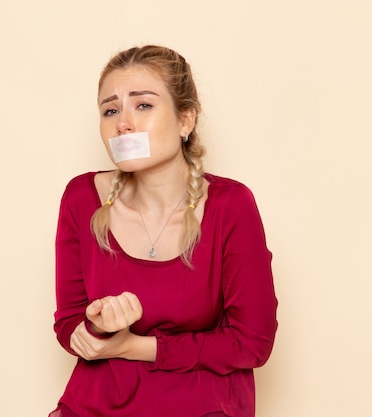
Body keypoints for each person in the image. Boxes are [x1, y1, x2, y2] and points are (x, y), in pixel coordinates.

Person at [49, 45, 278, 417]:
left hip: (202, 405)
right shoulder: (81, 198)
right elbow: (69, 326)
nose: (123, 123)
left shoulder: (231, 205)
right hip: (100, 402)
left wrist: (132, 345)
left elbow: (252, 344)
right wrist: (97, 328)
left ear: (186, 120)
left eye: (143, 105)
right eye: (111, 110)